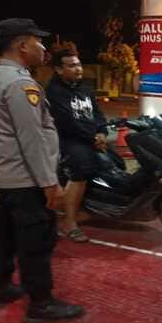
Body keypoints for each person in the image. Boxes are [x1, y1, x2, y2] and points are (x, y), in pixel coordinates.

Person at [0, 18, 84, 323]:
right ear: (22, 45)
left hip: (6, 176)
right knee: (36, 239)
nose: (43, 47)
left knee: (4, 233)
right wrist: (50, 183)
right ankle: (41, 303)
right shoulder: (20, 84)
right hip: (26, 178)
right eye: (38, 41)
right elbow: (32, 138)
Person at [45, 49, 109, 243]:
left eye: (79, 64)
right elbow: (67, 122)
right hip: (68, 140)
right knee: (82, 169)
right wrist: (93, 138)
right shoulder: (54, 91)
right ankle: (69, 222)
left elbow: (97, 114)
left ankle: (87, 206)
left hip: (89, 138)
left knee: (114, 164)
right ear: (59, 69)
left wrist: (102, 132)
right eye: (72, 65)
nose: (78, 69)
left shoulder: (85, 87)